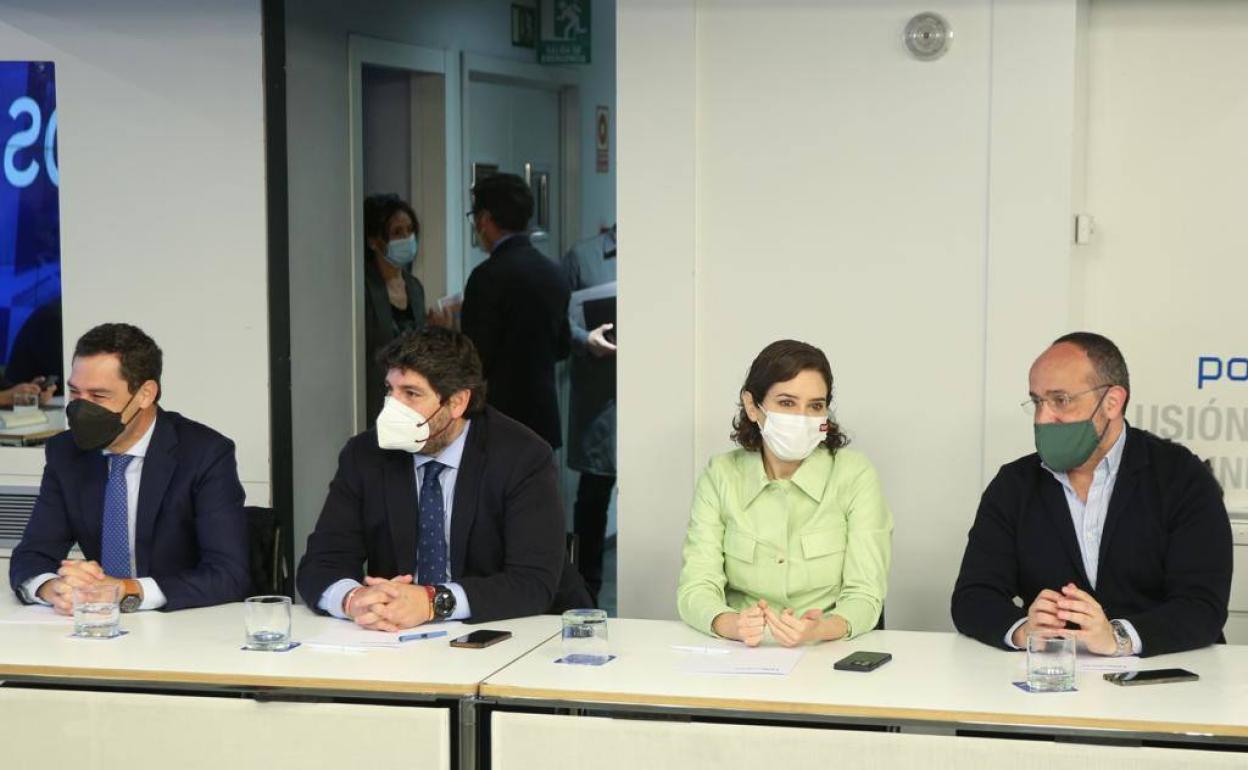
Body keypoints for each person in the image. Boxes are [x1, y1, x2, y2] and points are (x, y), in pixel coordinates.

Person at [951, 332, 1233, 657]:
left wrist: (1118, 638)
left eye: (1060, 400)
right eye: (1037, 401)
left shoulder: (1182, 478)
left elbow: (1202, 606)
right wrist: (1023, 630)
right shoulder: (1015, 484)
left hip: (1168, 683)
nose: (1043, 418)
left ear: (1112, 402)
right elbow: (972, 597)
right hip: (1053, 683)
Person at [297, 326, 589, 631]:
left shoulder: (522, 456)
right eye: (389, 390)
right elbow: (321, 563)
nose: (392, 408)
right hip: (401, 641)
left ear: (457, 402)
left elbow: (531, 583)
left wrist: (431, 601)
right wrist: (353, 598)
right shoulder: (364, 455)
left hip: (523, 635)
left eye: (411, 394)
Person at [9, 323, 250, 612]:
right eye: (75, 393)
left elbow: (229, 575)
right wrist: (51, 588)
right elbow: (32, 554)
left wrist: (126, 590)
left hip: (181, 629)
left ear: (145, 394)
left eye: (98, 397)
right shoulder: (66, 452)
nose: (81, 409)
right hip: (96, 628)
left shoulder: (204, 453)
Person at [677, 340, 892, 647]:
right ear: (753, 406)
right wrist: (732, 625)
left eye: (815, 406)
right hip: (740, 654)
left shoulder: (855, 474)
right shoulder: (721, 474)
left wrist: (820, 630)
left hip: (826, 654)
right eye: (787, 403)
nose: (802, 418)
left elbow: (866, 595)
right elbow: (695, 586)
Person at [461, 173, 570, 449]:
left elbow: (476, 359)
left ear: (484, 219)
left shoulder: (487, 277)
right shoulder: (554, 273)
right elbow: (563, 347)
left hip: (499, 421)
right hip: (542, 420)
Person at [561, 227, 617, 604]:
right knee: (593, 500)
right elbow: (554, 319)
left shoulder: (669, 249)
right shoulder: (583, 257)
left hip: (655, 395)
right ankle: (583, 595)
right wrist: (584, 339)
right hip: (602, 401)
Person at [363, 194, 427, 425]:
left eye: (410, 231)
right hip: (376, 401)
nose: (407, 238)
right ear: (374, 241)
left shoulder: (414, 287)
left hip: (413, 404)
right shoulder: (363, 288)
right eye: (397, 232)